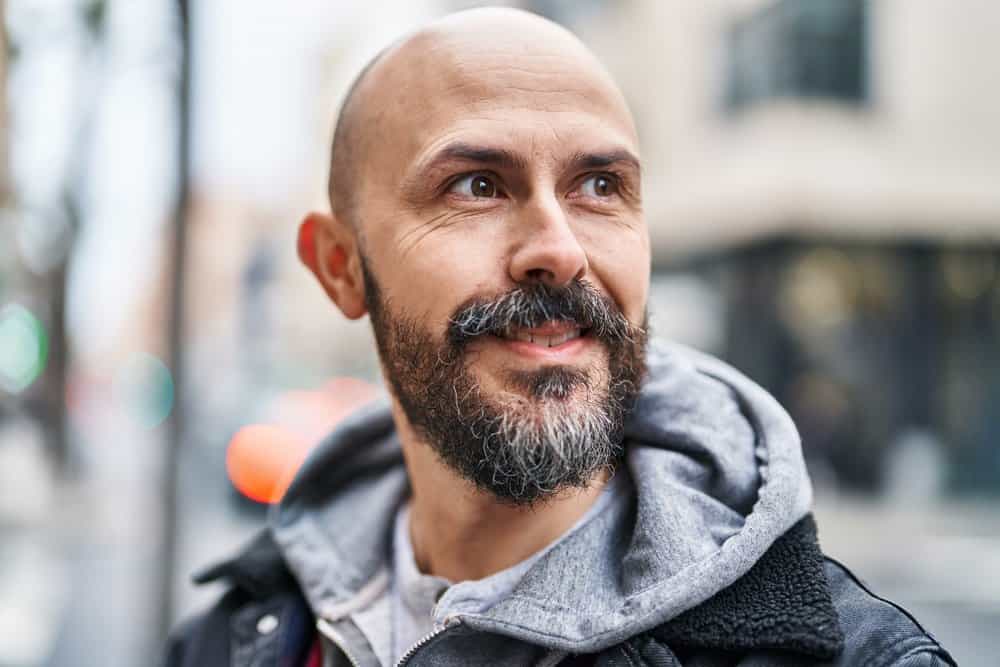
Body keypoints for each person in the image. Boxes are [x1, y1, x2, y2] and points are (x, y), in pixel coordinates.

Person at [164, 8, 955, 667]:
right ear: (341, 268)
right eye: (476, 184)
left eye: (600, 186)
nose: (560, 247)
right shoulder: (229, 636)